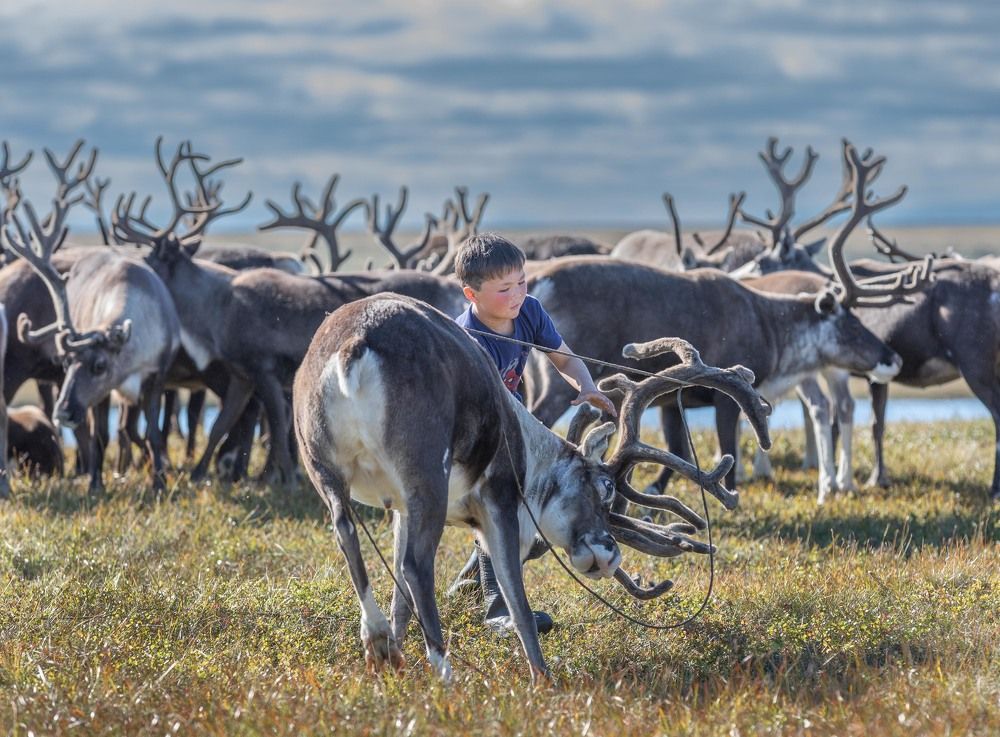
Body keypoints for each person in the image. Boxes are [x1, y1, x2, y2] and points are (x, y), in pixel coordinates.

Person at [453, 232, 616, 635]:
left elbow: (563, 357)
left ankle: (470, 585)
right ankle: (498, 608)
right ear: (471, 295)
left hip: (515, 420)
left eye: (523, 282)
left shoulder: (530, 312)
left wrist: (587, 386)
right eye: (505, 288)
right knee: (502, 507)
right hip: (473, 431)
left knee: (536, 515)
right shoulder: (467, 340)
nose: (517, 294)